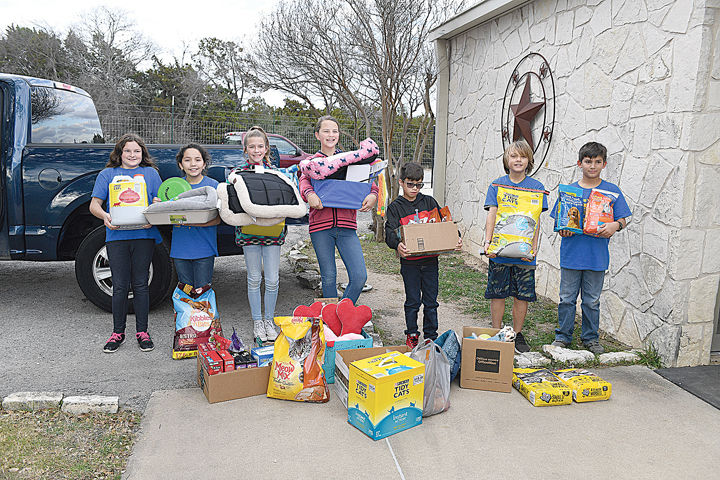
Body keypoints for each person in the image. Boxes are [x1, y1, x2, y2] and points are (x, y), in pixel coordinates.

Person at [550, 142, 631, 354]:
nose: (592, 166)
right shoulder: (569, 192)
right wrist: (563, 229)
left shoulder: (611, 191)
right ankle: (563, 337)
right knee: (566, 298)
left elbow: (623, 219)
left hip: (597, 257)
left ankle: (590, 339)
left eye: (597, 162)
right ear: (580, 163)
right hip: (571, 255)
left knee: (592, 301)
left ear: (604, 164)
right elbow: (558, 222)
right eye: (588, 161)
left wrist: (616, 225)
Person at [90, 133, 163, 353]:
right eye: (128, 151)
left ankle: (143, 332)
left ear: (143, 154)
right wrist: (105, 216)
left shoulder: (151, 173)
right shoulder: (107, 174)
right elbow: (94, 205)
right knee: (120, 286)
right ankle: (117, 332)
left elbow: (160, 202)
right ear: (120, 153)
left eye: (137, 151)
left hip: (143, 235)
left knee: (141, 284)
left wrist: (157, 209)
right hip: (117, 237)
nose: (132, 155)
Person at [299, 116, 378, 303]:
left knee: (359, 277)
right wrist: (309, 194)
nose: (331, 135)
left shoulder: (351, 160)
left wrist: (373, 195)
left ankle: (343, 312)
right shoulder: (311, 163)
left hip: (347, 226)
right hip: (321, 227)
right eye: (326, 131)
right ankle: (330, 325)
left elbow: (369, 180)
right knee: (328, 278)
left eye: (334, 131)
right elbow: (303, 181)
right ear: (317, 135)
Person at [385, 162, 462, 348]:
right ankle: (412, 333)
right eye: (410, 184)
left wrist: (455, 238)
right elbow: (389, 233)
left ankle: (430, 336)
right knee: (413, 301)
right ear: (402, 183)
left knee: (431, 301)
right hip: (410, 263)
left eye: (419, 184)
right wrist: (397, 245)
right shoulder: (395, 207)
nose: (415, 189)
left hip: (430, 262)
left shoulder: (429, 202)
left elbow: (444, 224)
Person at [483, 140, 548, 354]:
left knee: (522, 296)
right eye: (513, 156)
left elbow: (536, 221)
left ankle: (517, 335)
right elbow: (492, 215)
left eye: (522, 156)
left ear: (529, 160)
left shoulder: (537, 188)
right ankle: (496, 332)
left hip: (525, 254)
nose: (518, 160)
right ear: (506, 160)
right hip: (499, 252)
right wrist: (487, 241)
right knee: (498, 294)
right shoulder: (496, 185)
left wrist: (534, 247)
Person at [233, 126, 287, 343]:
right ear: (245, 150)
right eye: (252, 146)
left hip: (273, 232)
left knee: (272, 279)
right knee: (254, 278)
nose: (256, 150)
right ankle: (257, 321)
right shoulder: (237, 174)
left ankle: (269, 320)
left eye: (260, 146)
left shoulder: (276, 174)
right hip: (249, 232)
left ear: (266, 149)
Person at [170, 144, 221, 288]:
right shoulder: (174, 187)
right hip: (180, 249)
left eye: (197, 160)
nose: (193, 164)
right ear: (180, 165)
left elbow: (217, 219)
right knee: (185, 293)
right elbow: (168, 215)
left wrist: (189, 222)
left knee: (202, 292)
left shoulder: (213, 186)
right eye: (187, 160)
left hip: (204, 249)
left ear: (204, 164)